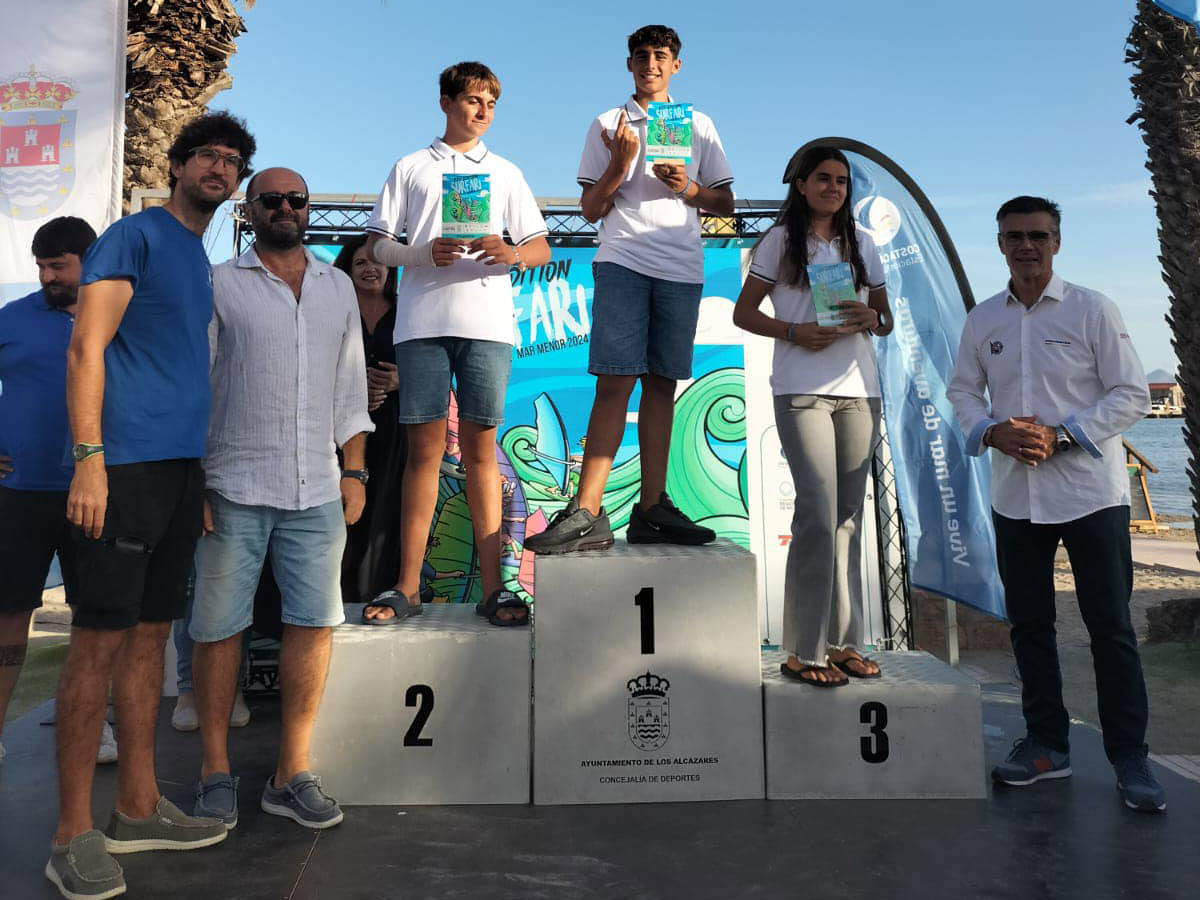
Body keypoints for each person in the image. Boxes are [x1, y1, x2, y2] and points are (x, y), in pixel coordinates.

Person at [46, 111, 255, 900]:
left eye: (232, 161)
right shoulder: (133, 235)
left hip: (177, 473)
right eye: (207, 155)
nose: (220, 168)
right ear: (177, 164)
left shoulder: (196, 256)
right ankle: (70, 833)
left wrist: (191, 480)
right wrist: (90, 462)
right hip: (121, 469)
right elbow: (85, 347)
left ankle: (137, 808)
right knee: (97, 642)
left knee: (150, 637)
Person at [947, 196, 1166, 812]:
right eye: (1014, 236)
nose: (1027, 246)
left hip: (1091, 496)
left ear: (1057, 242)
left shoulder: (1093, 308)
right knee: (1029, 628)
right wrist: (990, 431)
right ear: (999, 244)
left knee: (1111, 628)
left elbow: (1131, 393)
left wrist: (1064, 435)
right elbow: (962, 391)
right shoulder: (982, 319)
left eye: (1038, 235)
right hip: (1015, 497)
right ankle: (1046, 746)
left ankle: (1130, 757)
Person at [190, 167, 372, 831]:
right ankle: (214, 770)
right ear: (250, 210)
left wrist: (355, 471)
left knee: (314, 624)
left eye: (297, 200)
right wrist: (195, 480)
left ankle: (290, 772)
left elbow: (351, 387)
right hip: (231, 484)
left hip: (318, 488)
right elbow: (198, 386)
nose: (287, 208)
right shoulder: (219, 283)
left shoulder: (337, 286)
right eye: (272, 200)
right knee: (217, 630)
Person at [525, 24, 735, 556]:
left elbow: (726, 204)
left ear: (676, 65)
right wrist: (620, 163)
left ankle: (652, 508)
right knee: (615, 381)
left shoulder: (699, 124)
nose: (651, 63)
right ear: (629, 64)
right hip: (623, 260)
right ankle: (588, 510)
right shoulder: (607, 123)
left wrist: (687, 187)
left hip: (681, 266)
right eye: (641, 55)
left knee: (662, 384)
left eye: (661, 55)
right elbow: (591, 209)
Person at [361, 61, 550, 625]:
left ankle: (495, 588)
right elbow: (377, 245)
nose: (483, 110)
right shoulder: (411, 166)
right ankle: (407, 586)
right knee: (423, 454)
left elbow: (539, 248)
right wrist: (423, 253)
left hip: (488, 327)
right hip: (421, 326)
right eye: (472, 99)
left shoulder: (506, 172)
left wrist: (511, 252)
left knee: (482, 453)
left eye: (491, 102)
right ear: (445, 102)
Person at [732, 146, 892, 687]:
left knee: (848, 519)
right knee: (818, 517)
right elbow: (744, 312)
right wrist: (793, 331)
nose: (833, 188)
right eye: (823, 178)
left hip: (860, 392)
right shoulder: (781, 240)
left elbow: (885, 319)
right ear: (800, 185)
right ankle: (803, 651)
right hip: (802, 390)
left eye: (842, 181)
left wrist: (872, 317)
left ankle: (845, 644)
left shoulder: (863, 242)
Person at [0, 217, 96, 764]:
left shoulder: (120, 318)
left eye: (58, 265)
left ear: (88, 261)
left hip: (96, 491)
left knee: (94, 618)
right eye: (41, 266)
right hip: (20, 493)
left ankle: (91, 726)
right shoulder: (12, 318)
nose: (46, 276)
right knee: (9, 615)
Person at [333, 235, 406, 604]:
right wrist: (351, 387)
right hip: (339, 435)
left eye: (377, 261)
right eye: (360, 262)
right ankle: (335, 600)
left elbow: (436, 368)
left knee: (387, 515)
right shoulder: (332, 310)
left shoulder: (409, 310)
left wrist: (400, 380)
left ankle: (379, 596)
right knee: (340, 515)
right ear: (346, 270)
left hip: (395, 431)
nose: (370, 269)